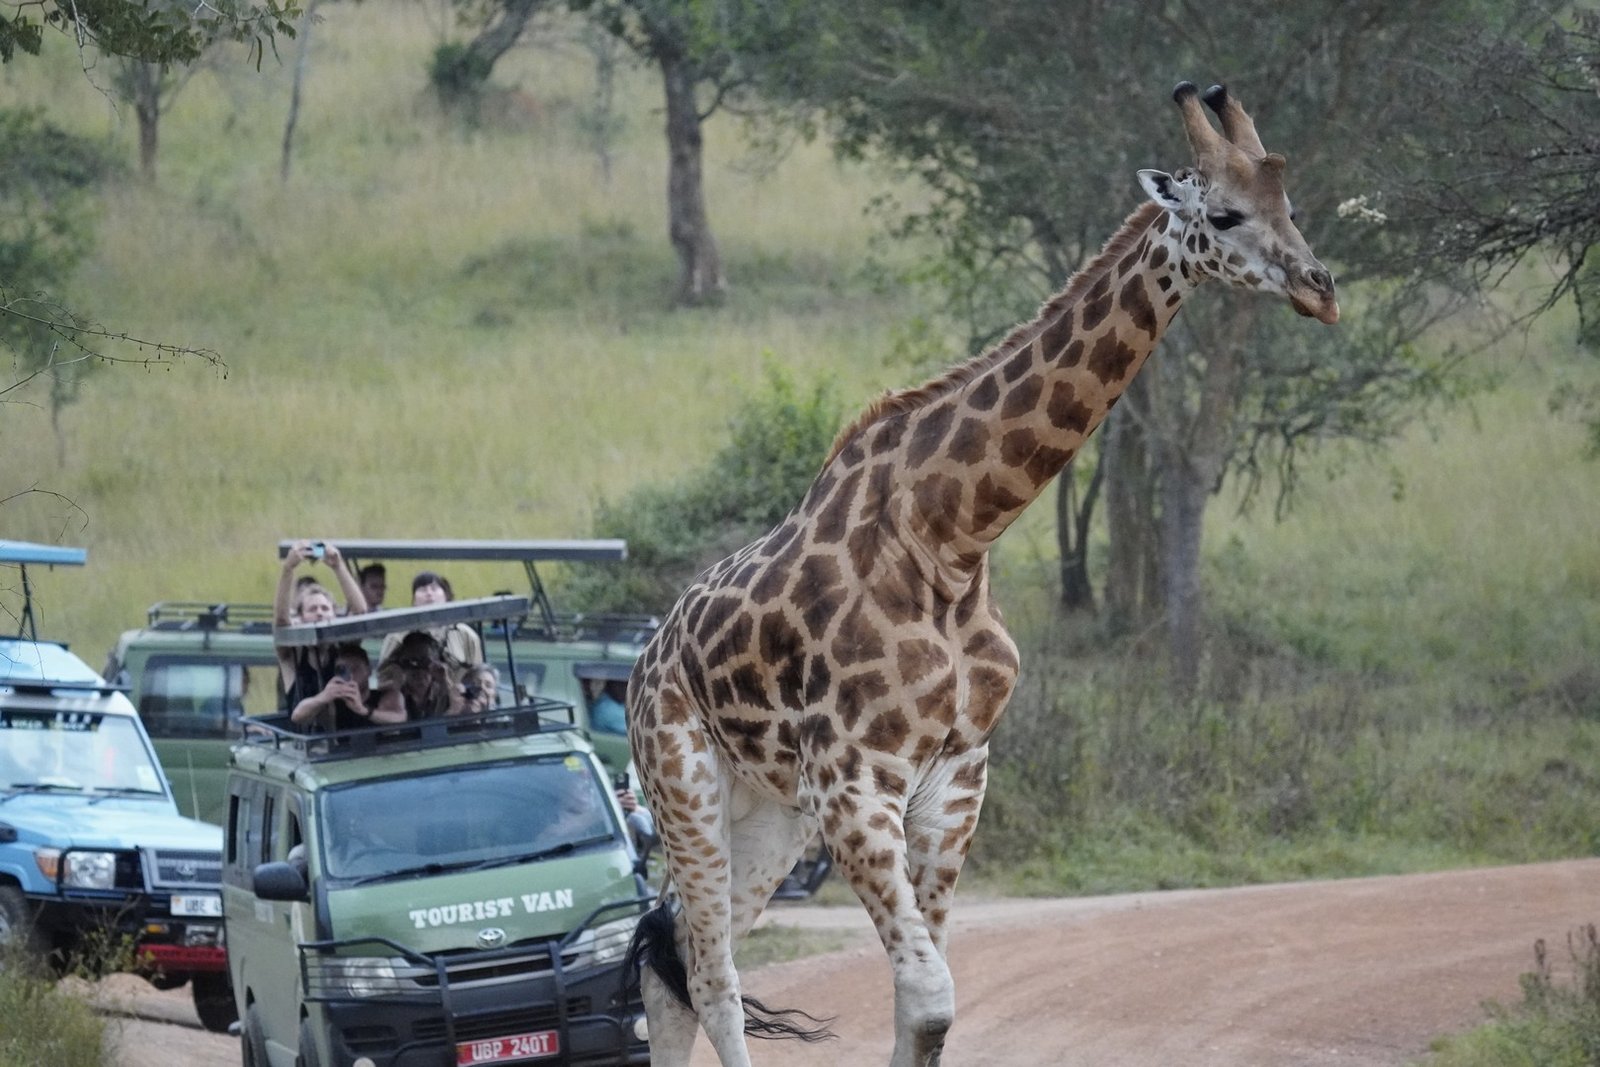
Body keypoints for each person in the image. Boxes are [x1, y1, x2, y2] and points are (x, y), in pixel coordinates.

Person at [274, 540, 368, 714]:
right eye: (312, 609)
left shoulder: (342, 647)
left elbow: (360, 613)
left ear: (334, 615)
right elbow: (281, 621)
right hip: (303, 729)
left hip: (343, 729)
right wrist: (288, 568)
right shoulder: (293, 653)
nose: (319, 613)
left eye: (325, 608)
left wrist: (338, 566)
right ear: (300, 618)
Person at [377, 570, 484, 673]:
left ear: (446, 596)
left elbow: (479, 673)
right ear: (414, 600)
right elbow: (384, 674)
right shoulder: (397, 635)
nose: (429, 593)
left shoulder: (465, 634)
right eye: (422, 589)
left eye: (434, 588)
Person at [287, 643, 405, 731]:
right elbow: (297, 716)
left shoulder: (385, 695)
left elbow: (400, 718)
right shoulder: (332, 702)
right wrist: (323, 697)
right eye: (343, 670)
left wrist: (364, 710)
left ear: (368, 670)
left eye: (356, 669)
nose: (351, 676)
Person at [375, 630, 458, 721]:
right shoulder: (392, 695)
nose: (418, 671)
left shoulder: (444, 692)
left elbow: (458, 712)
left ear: (436, 664)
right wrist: (395, 687)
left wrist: (444, 681)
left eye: (425, 662)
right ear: (401, 666)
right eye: (410, 663)